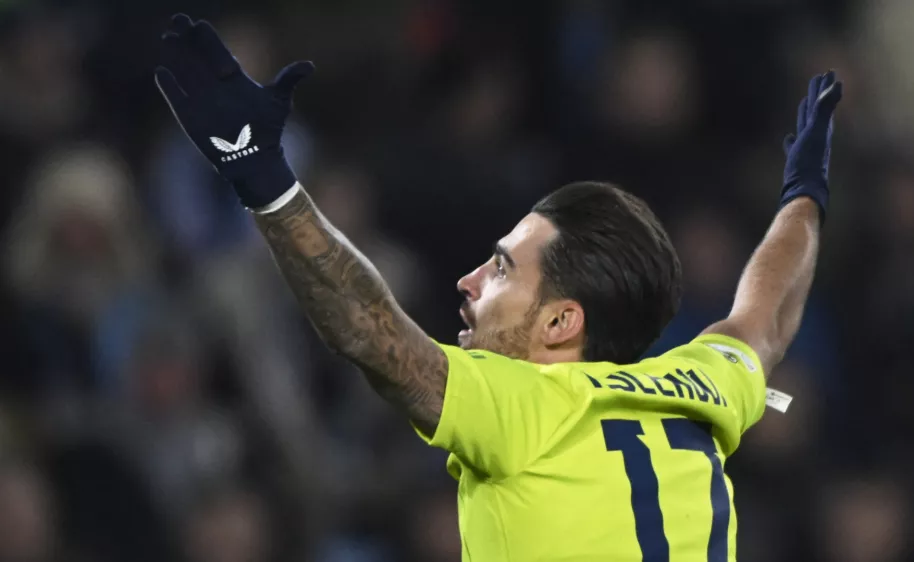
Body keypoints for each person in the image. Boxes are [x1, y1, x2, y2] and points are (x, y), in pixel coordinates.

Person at [154, 14, 841, 561]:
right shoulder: (703, 385)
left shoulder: (525, 404)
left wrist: (264, 178)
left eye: (503, 268)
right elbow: (768, 313)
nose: (469, 281)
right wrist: (804, 193)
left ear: (559, 324)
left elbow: (372, 335)